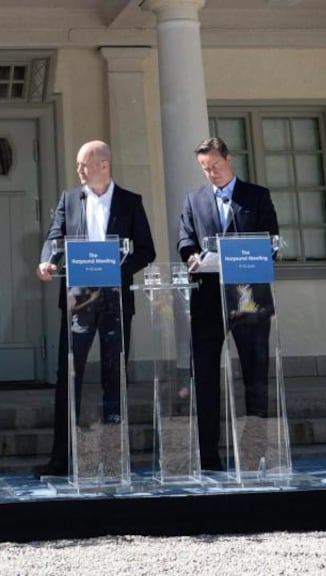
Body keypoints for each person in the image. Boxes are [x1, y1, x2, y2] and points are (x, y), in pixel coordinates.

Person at [35, 140, 156, 477]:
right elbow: (54, 238)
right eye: (78, 165)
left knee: (113, 376)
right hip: (77, 299)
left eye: (84, 165)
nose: (79, 171)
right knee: (68, 376)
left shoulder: (130, 202)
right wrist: (48, 262)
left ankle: (113, 458)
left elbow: (146, 250)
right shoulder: (70, 199)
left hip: (116, 301)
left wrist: (114, 268)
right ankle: (61, 459)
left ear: (104, 165)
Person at [177, 136, 279, 471]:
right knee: (204, 379)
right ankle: (209, 458)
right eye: (205, 169)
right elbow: (185, 239)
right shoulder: (194, 200)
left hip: (249, 298)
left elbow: (272, 242)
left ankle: (255, 454)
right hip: (208, 300)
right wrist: (191, 256)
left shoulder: (256, 196)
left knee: (255, 376)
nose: (212, 173)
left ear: (229, 159)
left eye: (216, 166)